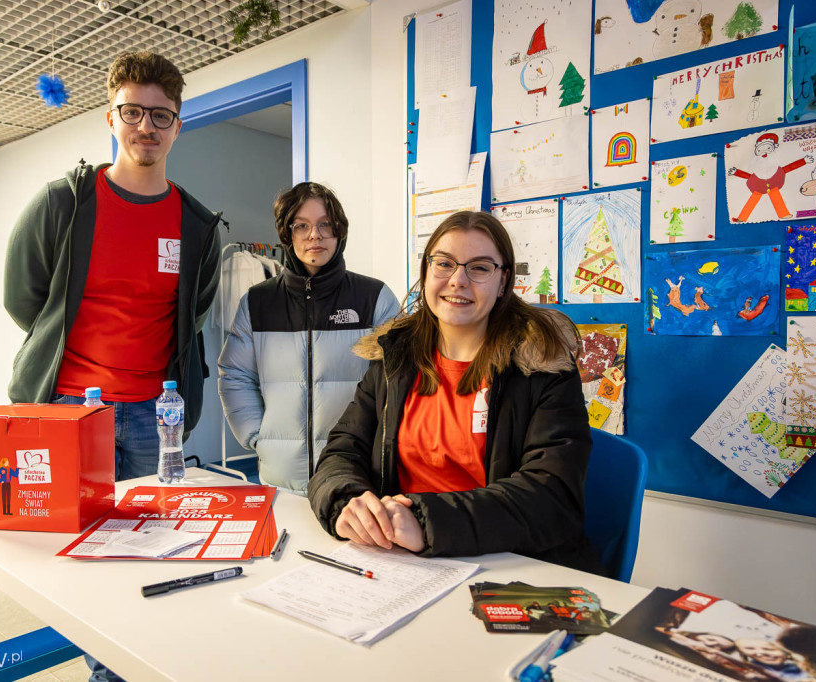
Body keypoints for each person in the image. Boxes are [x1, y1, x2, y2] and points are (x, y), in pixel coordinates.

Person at [307, 210, 601, 572]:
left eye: (479, 268)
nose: (457, 280)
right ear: (427, 271)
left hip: (511, 565)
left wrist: (427, 522)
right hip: (402, 561)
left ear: (504, 281)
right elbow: (342, 451)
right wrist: (346, 504)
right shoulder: (395, 357)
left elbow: (552, 496)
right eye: (444, 264)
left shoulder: (542, 365)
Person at [4, 50, 222, 484]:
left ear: (178, 127)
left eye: (161, 116)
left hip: (157, 414)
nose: (146, 126)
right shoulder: (61, 204)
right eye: (133, 112)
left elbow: (192, 316)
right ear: (111, 119)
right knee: (66, 537)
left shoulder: (198, 226)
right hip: (69, 405)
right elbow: (22, 301)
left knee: (148, 537)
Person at [218, 182, 400, 492]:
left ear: (339, 231)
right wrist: (257, 436)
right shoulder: (257, 302)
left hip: (355, 478)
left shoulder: (374, 298)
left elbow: (397, 381)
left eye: (324, 225)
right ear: (287, 234)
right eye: (301, 226)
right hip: (280, 478)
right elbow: (235, 374)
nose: (314, 235)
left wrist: (375, 439)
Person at [736, 638, 816, 682]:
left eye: (769, 649)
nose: (759, 654)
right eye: (750, 649)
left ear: (788, 653)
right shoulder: (755, 670)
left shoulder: (802, 666)